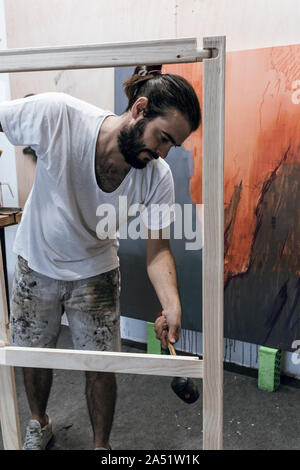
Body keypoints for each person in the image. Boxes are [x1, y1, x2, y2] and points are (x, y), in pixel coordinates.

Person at [0, 65, 201, 450]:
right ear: (140, 109)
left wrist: (172, 305)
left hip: (96, 273)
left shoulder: (156, 176)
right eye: (162, 138)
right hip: (36, 260)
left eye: (171, 145)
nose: (162, 152)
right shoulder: (60, 116)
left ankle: (101, 447)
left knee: (102, 366)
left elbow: (157, 249)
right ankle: (39, 422)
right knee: (33, 356)